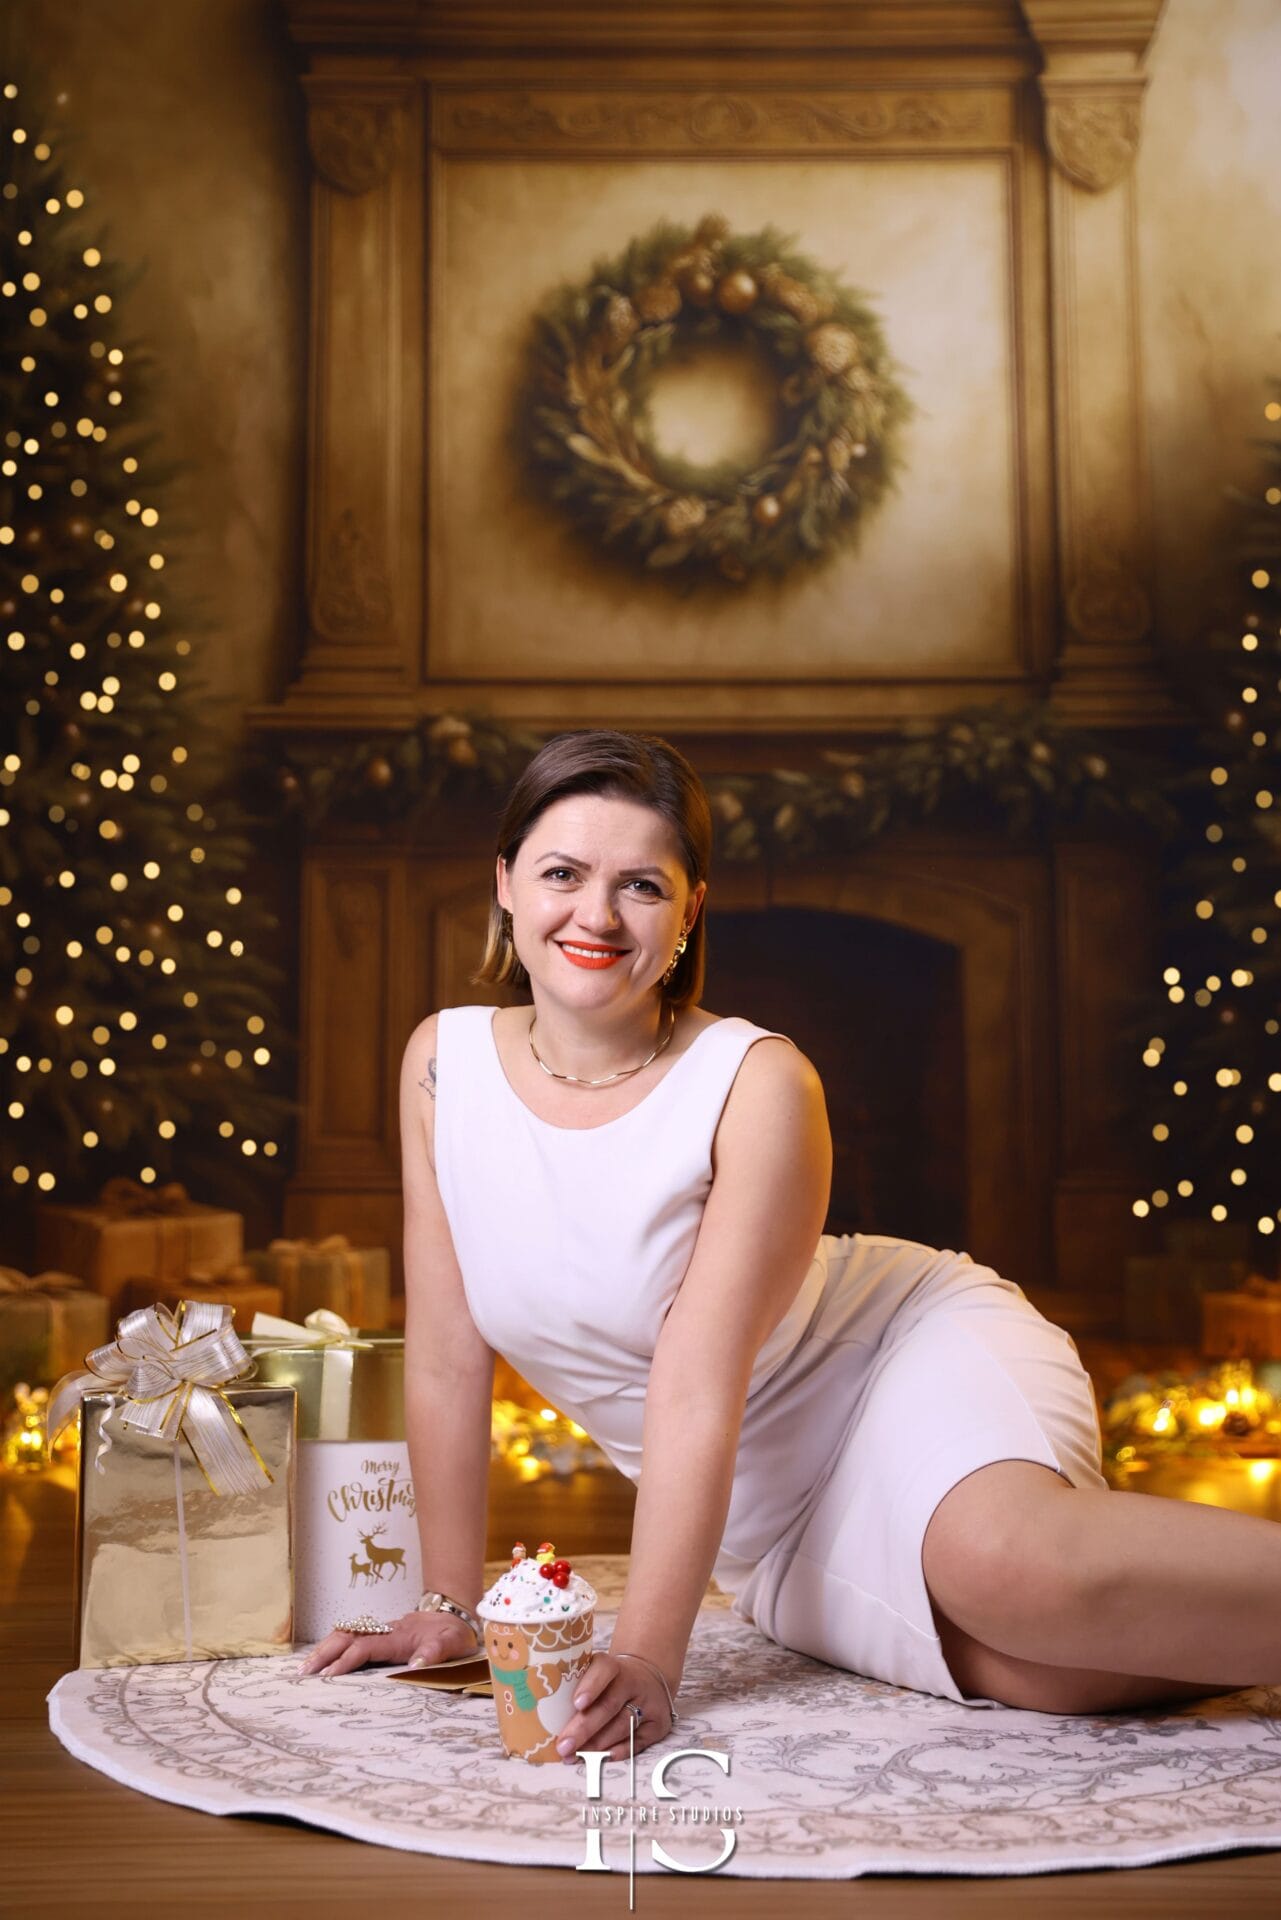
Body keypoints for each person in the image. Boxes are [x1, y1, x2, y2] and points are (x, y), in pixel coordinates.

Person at [303, 729, 1271, 1755]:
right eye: (562, 873)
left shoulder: (757, 1080)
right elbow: (450, 1356)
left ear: (689, 911)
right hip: (765, 1515)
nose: (596, 913)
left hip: (890, 1361)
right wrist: (452, 1603)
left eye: (640, 884)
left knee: (1009, 1569)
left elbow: (695, 1380)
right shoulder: (440, 1065)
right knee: (1042, 1674)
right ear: (504, 885)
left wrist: (648, 1657)